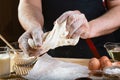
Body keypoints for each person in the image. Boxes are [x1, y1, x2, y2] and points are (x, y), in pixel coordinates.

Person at [18, 0, 120, 58]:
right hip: (50, 57)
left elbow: (118, 6)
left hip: (98, 56)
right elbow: (29, 3)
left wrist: (89, 28)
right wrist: (33, 26)